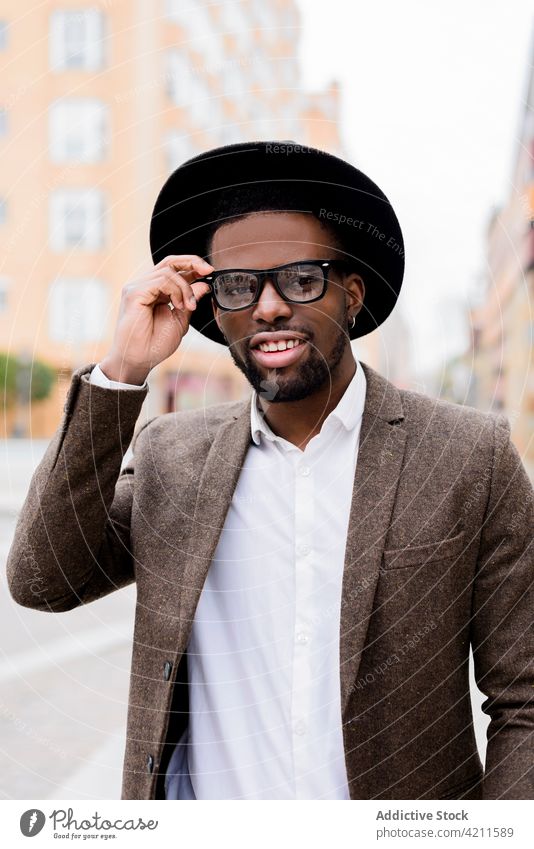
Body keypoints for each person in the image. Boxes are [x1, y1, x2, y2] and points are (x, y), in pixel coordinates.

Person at [7, 141, 534, 801]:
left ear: (351, 294)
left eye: (301, 278)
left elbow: (524, 697)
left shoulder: (468, 456)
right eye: (238, 285)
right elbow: (43, 578)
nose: (269, 306)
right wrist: (121, 373)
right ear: (214, 308)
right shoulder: (174, 456)